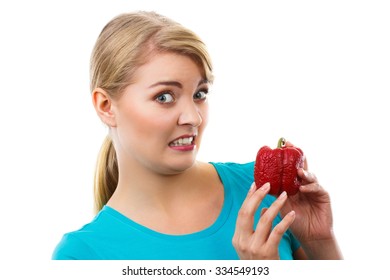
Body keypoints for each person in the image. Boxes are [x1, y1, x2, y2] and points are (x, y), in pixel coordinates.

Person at [52, 11, 343, 260]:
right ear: (106, 107)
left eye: (200, 94)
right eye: (164, 97)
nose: (193, 117)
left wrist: (321, 245)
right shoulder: (82, 255)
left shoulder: (264, 192)